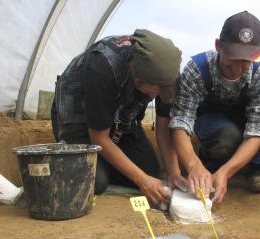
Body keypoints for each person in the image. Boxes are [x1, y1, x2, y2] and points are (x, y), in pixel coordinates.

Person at [169, 11, 260, 205]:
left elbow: (257, 131)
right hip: (215, 120)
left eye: (245, 61)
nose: (237, 69)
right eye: (232, 58)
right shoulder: (196, 69)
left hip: (246, 120)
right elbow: (180, 121)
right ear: (218, 45)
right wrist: (193, 164)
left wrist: (226, 173)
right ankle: (212, 164)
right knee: (226, 137)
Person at [51, 29, 187, 204]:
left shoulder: (166, 76)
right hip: (80, 116)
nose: (156, 97)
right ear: (137, 74)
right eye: (155, 90)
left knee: (151, 172)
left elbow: (162, 128)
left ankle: (108, 164)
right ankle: (72, 164)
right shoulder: (102, 66)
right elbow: (99, 138)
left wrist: (174, 173)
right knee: (96, 181)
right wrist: (142, 180)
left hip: (121, 116)